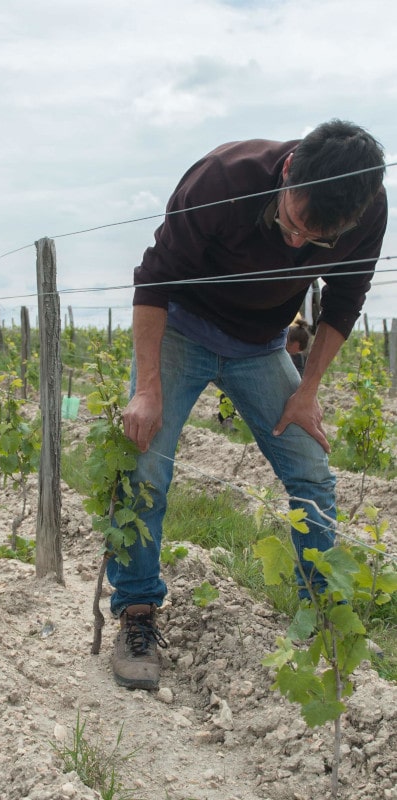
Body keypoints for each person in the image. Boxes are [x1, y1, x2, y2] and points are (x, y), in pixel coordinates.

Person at [109, 119, 387, 690]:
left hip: (261, 346)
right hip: (181, 329)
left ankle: (324, 618)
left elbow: (345, 298)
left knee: (312, 471)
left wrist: (307, 392)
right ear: (287, 174)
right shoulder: (222, 179)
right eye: (291, 223)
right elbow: (154, 279)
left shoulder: (367, 207)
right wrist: (148, 387)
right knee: (143, 468)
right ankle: (137, 613)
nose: (296, 243)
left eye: (316, 240)